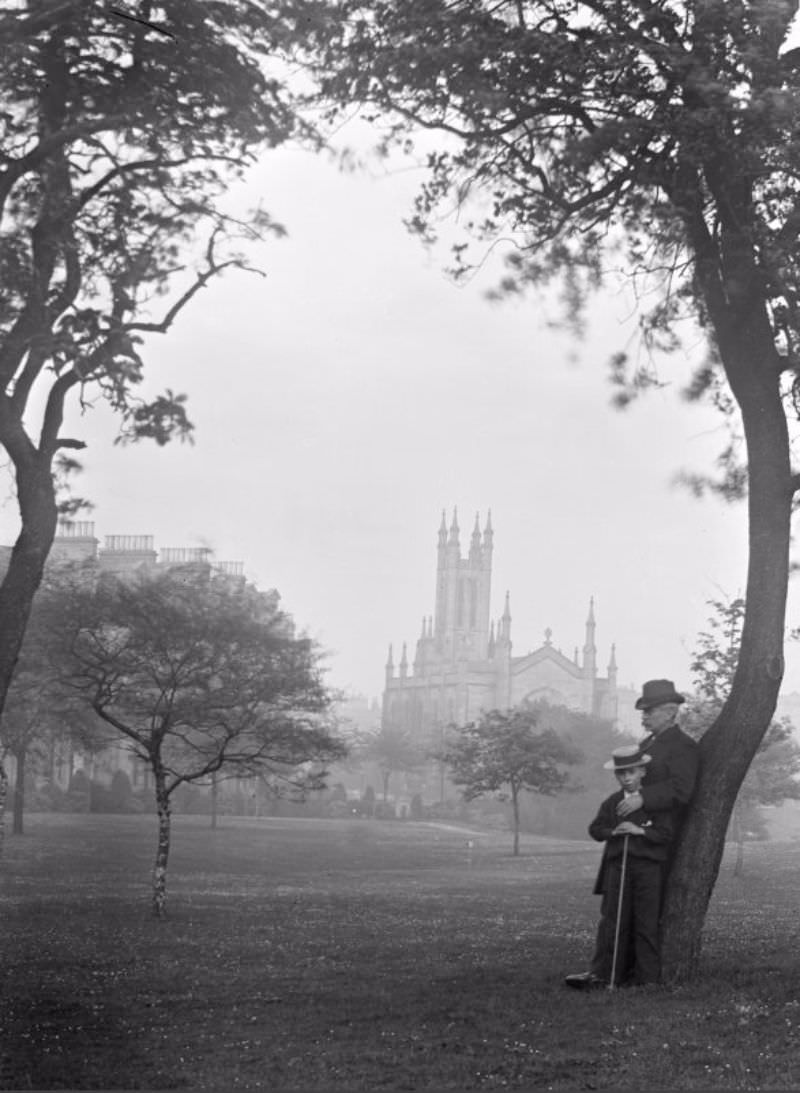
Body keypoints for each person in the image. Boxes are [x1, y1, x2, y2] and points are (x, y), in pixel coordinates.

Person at [564, 678, 699, 989]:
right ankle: (605, 972)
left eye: (649, 710)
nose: (644, 716)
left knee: (643, 916)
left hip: (654, 840)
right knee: (614, 913)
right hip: (625, 842)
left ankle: (640, 976)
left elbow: (682, 790)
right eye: (643, 711)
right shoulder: (646, 745)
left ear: (670, 711)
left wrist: (643, 798)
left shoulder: (683, 747)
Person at [566, 744, 674, 989]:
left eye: (631, 772)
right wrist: (612, 832)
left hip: (647, 870)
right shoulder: (612, 802)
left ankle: (648, 980)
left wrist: (639, 831)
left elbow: (666, 834)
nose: (626, 778)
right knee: (614, 922)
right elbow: (595, 829)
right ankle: (606, 975)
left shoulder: (654, 801)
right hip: (618, 868)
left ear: (642, 772)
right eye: (621, 774)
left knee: (646, 923)